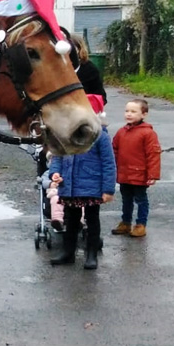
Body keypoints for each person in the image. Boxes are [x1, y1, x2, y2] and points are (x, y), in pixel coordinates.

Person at [48, 97, 117, 269]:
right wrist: (55, 173)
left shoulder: (100, 135)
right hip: (69, 185)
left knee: (92, 220)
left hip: (91, 186)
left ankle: (91, 254)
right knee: (71, 220)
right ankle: (68, 252)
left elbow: (109, 162)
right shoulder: (65, 133)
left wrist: (108, 189)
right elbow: (58, 156)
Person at [110, 99, 161, 238]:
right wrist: (113, 169)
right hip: (124, 174)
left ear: (144, 114)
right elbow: (114, 150)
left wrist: (152, 175)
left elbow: (153, 154)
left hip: (140, 174)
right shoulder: (121, 132)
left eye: (133, 111)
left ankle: (140, 224)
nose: (129, 114)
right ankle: (126, 222)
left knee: (141, 200)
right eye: (127, 111)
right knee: (126, 199)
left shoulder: (148, 133)